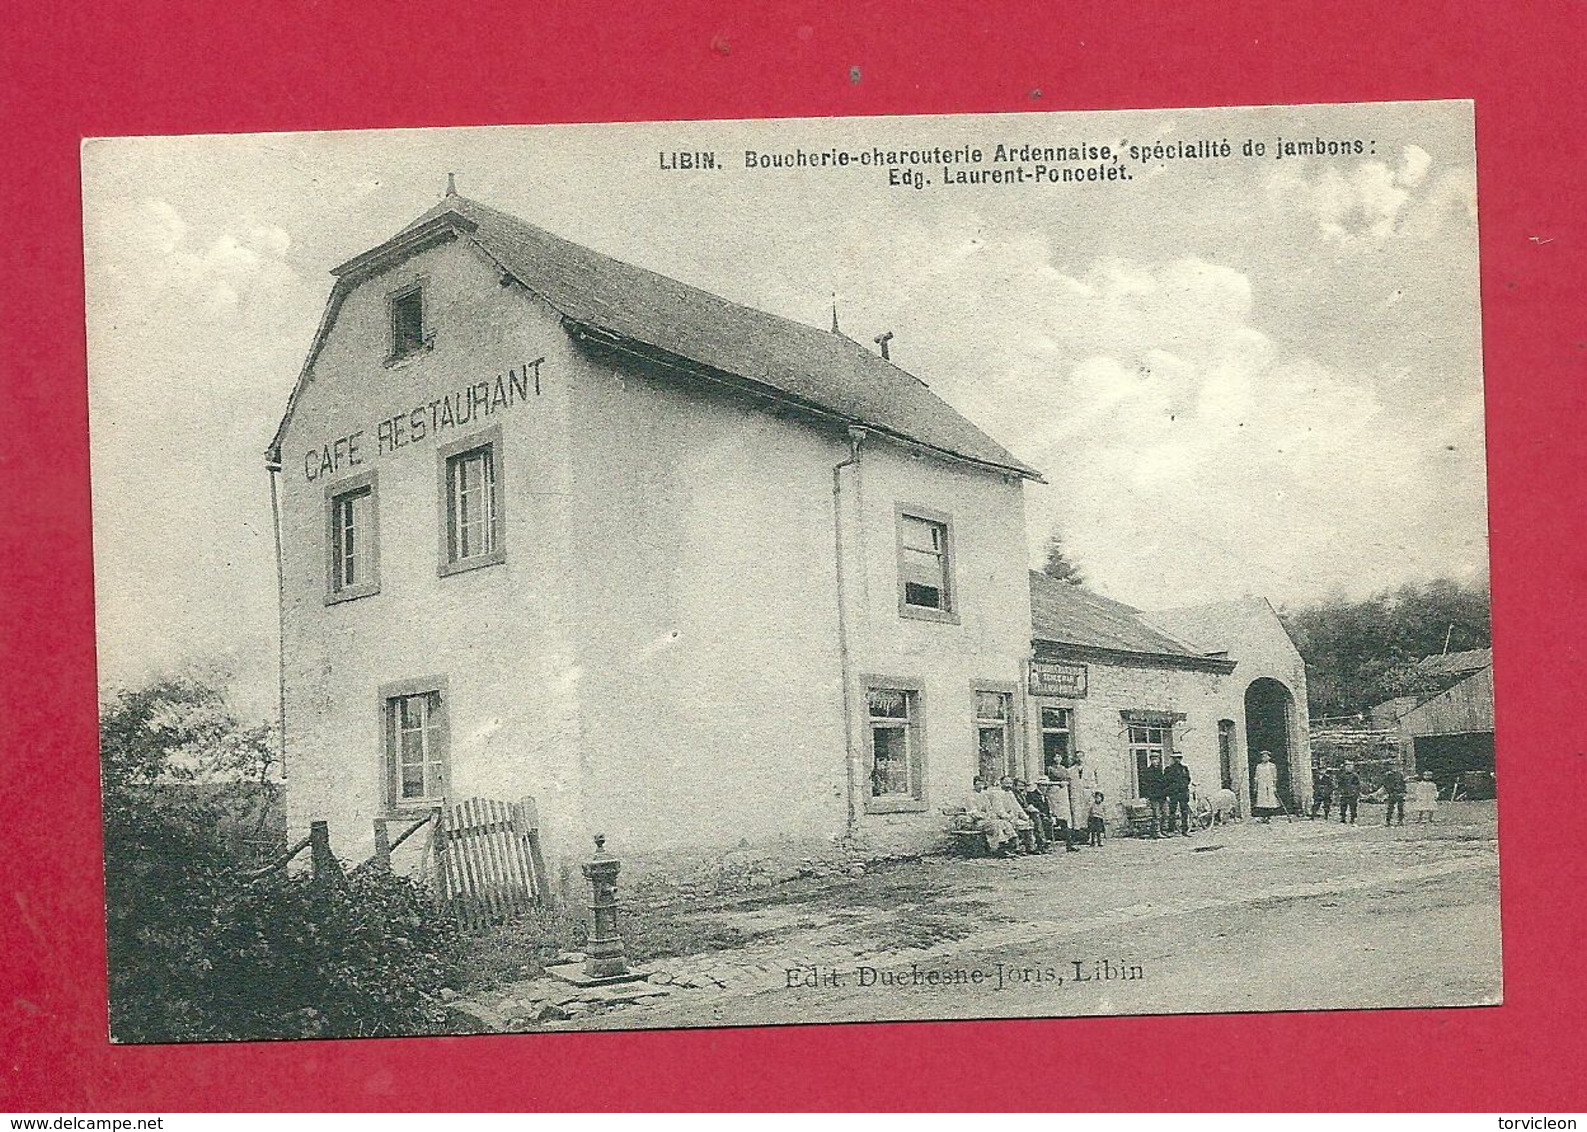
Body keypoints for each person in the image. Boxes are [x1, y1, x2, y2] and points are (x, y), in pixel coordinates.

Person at [993, 776, 1036, 853]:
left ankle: (1030, 848)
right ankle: (1014, 848)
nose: (1008, 785)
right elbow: (999, 811)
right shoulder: (997, 795)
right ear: (1001, 783)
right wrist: (1009, 817)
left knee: (1027, 824)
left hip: (1013, 817)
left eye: (1010, 783)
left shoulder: (1010, 794)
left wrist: (1025, 817)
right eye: (1006, 783)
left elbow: (1017, 807)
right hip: (1003, 819)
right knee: (1011, 826)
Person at [1042, 769, 1079, 852]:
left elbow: (1053, 806)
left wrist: (1053, 814)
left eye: (1045, 785)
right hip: (1043, 816)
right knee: (1048, 822)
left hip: (1052, 814)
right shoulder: (1036, 795)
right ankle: (1046, 845)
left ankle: (1069, 844)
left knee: (1064, 822)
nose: (1043, 787)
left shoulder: (1050, 795)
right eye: (1042, 785)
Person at [1066, 753, 1097, 847]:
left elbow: (1093, 783)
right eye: (1077, 757)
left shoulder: (1089, 770)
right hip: (1075, 795)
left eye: (1081, 757)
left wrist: (1091, 792)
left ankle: (1086, 837)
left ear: (1084, 757)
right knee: (1076, 816)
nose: (1079, 759)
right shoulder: (1070, 770)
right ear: (1075, 758)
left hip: (1086, 795)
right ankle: (1077, 837)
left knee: (1086, 816)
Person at [1139, 751, 1169, 838]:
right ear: (1150, 760)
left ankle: (1164, 830)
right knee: (1156, 815)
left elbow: (1164, 783)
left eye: (1156, 759)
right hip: (1154, 796)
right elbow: (1145, 784)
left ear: (1159, 760)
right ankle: (1157, 832)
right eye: (1153, 759)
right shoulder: (1148, 771)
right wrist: (1148, 795)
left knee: (1165, 813)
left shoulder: (1160, 770)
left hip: (1162, 795)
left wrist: (1166, 793)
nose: (1155, 761)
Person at [1020, 778, 1054, 851]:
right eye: (1043, 785)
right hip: (1034, 815)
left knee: (1050, 820)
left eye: (1046, 786)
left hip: (1043, 816)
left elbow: (1047, 809)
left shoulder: (1045, 796)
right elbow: (1031, 806)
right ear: (1038, 786)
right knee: (1040, 822)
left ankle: (1047, 842)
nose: (1045, 788)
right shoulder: (1032, 794)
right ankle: (1042, 843)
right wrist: (1042, 815)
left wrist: (1049, 815)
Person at [1164, 750, 1193, 836]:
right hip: (1173, 793)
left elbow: (1188, 779)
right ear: (1172, 759)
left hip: (1183, 793)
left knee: (1184, 812)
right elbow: (1166, 781)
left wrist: (1184, 786)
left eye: (1179, 758)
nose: (1177, 760)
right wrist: (1169, 792)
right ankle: (1171, 830)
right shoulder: (1168, 769)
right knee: (1172, 811)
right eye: (1175, 758)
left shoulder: (1184, 768)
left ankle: (1185, 830)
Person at [1252, 750, 1281, 823]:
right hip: (1261, 785)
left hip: (1269, 785)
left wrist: (1274, 786)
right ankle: (1263, 816)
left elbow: (1274, 777)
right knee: (1262, 801)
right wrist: (1255, 786)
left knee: (1270, 801)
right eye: (1263, 756)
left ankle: (1269, 817)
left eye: (1266, 756)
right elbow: (1256, 777)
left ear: (1269, 757)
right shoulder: (1259, 766)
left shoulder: (1272, 766)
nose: (1264, 758)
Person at [1336, 760, 1362, 824]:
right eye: (1347, 766)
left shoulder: (1355, 776)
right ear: (1345, 767)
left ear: (1353, 767)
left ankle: (1352, 819)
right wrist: (1340, 791)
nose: (1348, 768)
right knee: (1343, 807)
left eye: (1350, 766)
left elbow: (1358, 785)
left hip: (1352, 794)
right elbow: (1339, 784)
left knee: (1353, 807)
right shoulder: (1342, 776)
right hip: (1344, 793)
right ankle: (1343, 819)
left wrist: (1355, 792)